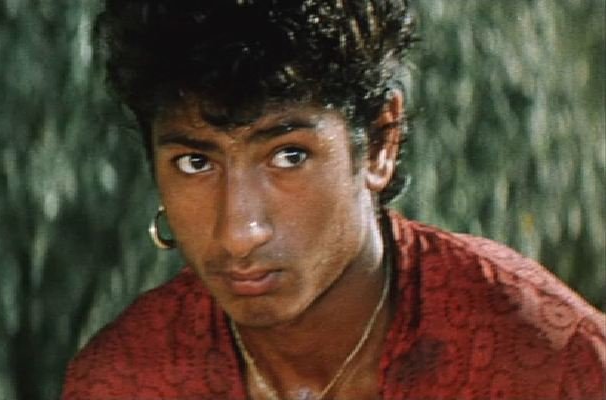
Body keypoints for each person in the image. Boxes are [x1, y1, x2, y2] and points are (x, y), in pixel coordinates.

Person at [62, 1, 606, 399]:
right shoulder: (125, 379)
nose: (240, 233)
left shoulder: (548, 361)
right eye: (195, 163)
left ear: (381, 144)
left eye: (288, 156)